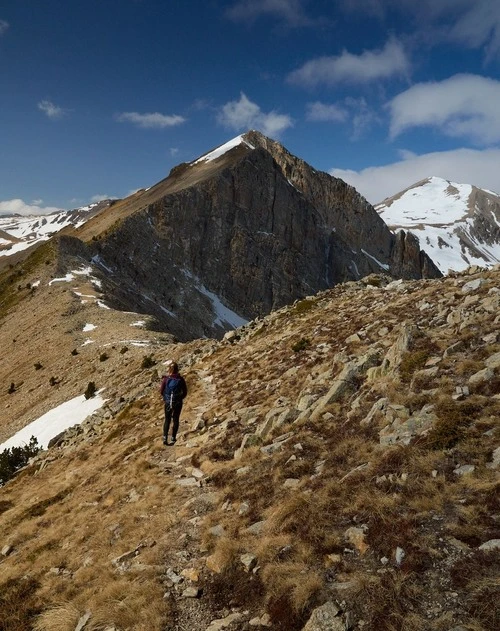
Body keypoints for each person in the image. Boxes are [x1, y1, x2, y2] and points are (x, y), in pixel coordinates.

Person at [160, 362, 187, 446]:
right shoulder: (180, 379)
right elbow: (185, 391)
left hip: (168, 402)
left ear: (169, 369)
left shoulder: (166, 379)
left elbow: (161, 391)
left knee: (167, 419)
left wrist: (165, 398)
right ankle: (173, 438)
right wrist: (180, 398)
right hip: (178, 402)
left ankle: (165, 437)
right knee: (176, 419)